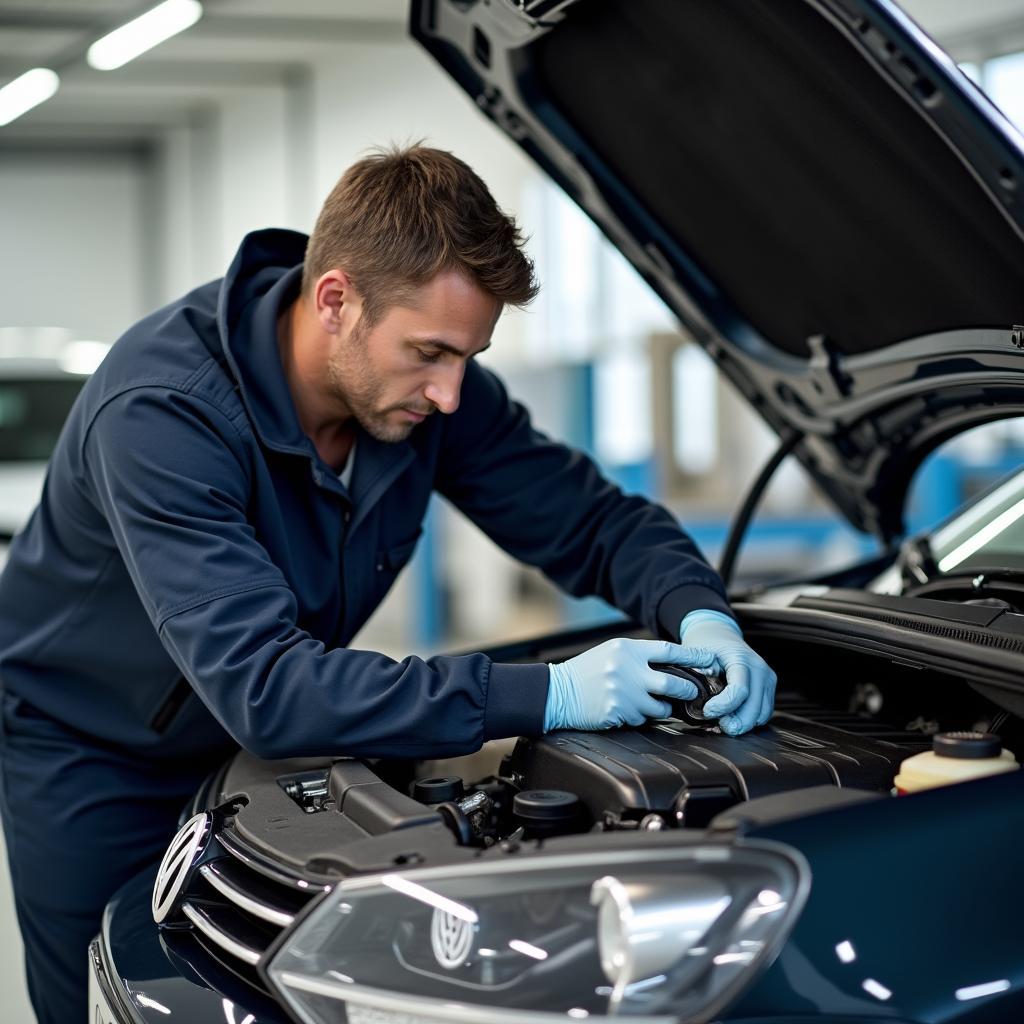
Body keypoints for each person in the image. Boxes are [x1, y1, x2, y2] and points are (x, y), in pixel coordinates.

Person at [0, 144, 776, 1023]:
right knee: (113, 994)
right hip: (93, 755)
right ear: (335, 299)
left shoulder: (425, 389)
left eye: (469, 357)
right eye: (431, 353)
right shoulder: (162, 413)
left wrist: (702, 615)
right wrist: (553, 692)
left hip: (257, 751)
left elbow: (594, 520)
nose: (450, 394)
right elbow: (268, 686)